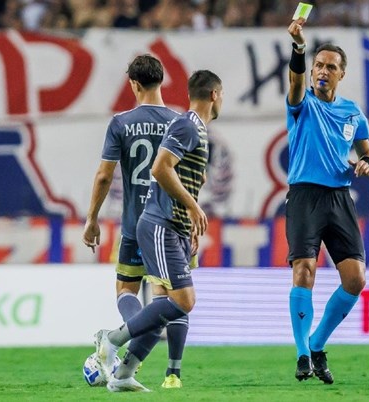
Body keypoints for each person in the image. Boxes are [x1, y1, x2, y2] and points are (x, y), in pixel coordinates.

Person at [94, 69, 223, 392]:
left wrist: (190, 219)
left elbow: (189, 178)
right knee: (181, 300)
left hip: (175, 226)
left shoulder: (198, 130)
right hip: (159, 224)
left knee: (169, 301)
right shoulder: (186, 124)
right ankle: (111, 340)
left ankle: (124, 374)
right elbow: (159, 167)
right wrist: (194, 209)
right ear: (215, 96)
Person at [81, 54, 186, 389]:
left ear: (134, 84)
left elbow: (103, 176)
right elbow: (189, 177)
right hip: (170, 225)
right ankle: (128, 368)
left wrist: (92, 219)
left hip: (134, 224)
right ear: (161, 81)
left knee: (126, 289)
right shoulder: (179, 122)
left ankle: (118, 340)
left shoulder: (121, 123)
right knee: (165, 301)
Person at [286, 18, 369, 385]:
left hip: (339, 198)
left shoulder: (353, 113)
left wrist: (366, 163)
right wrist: (299, 47)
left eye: (330, 67)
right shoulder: (300, 102)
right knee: (304, 269)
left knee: (355, 280)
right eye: (318, 66)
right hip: (305, 194)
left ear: (341, 74)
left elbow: (366, 152)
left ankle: (318, 343)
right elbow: (293, 80)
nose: (322, 71)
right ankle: (303, 353)